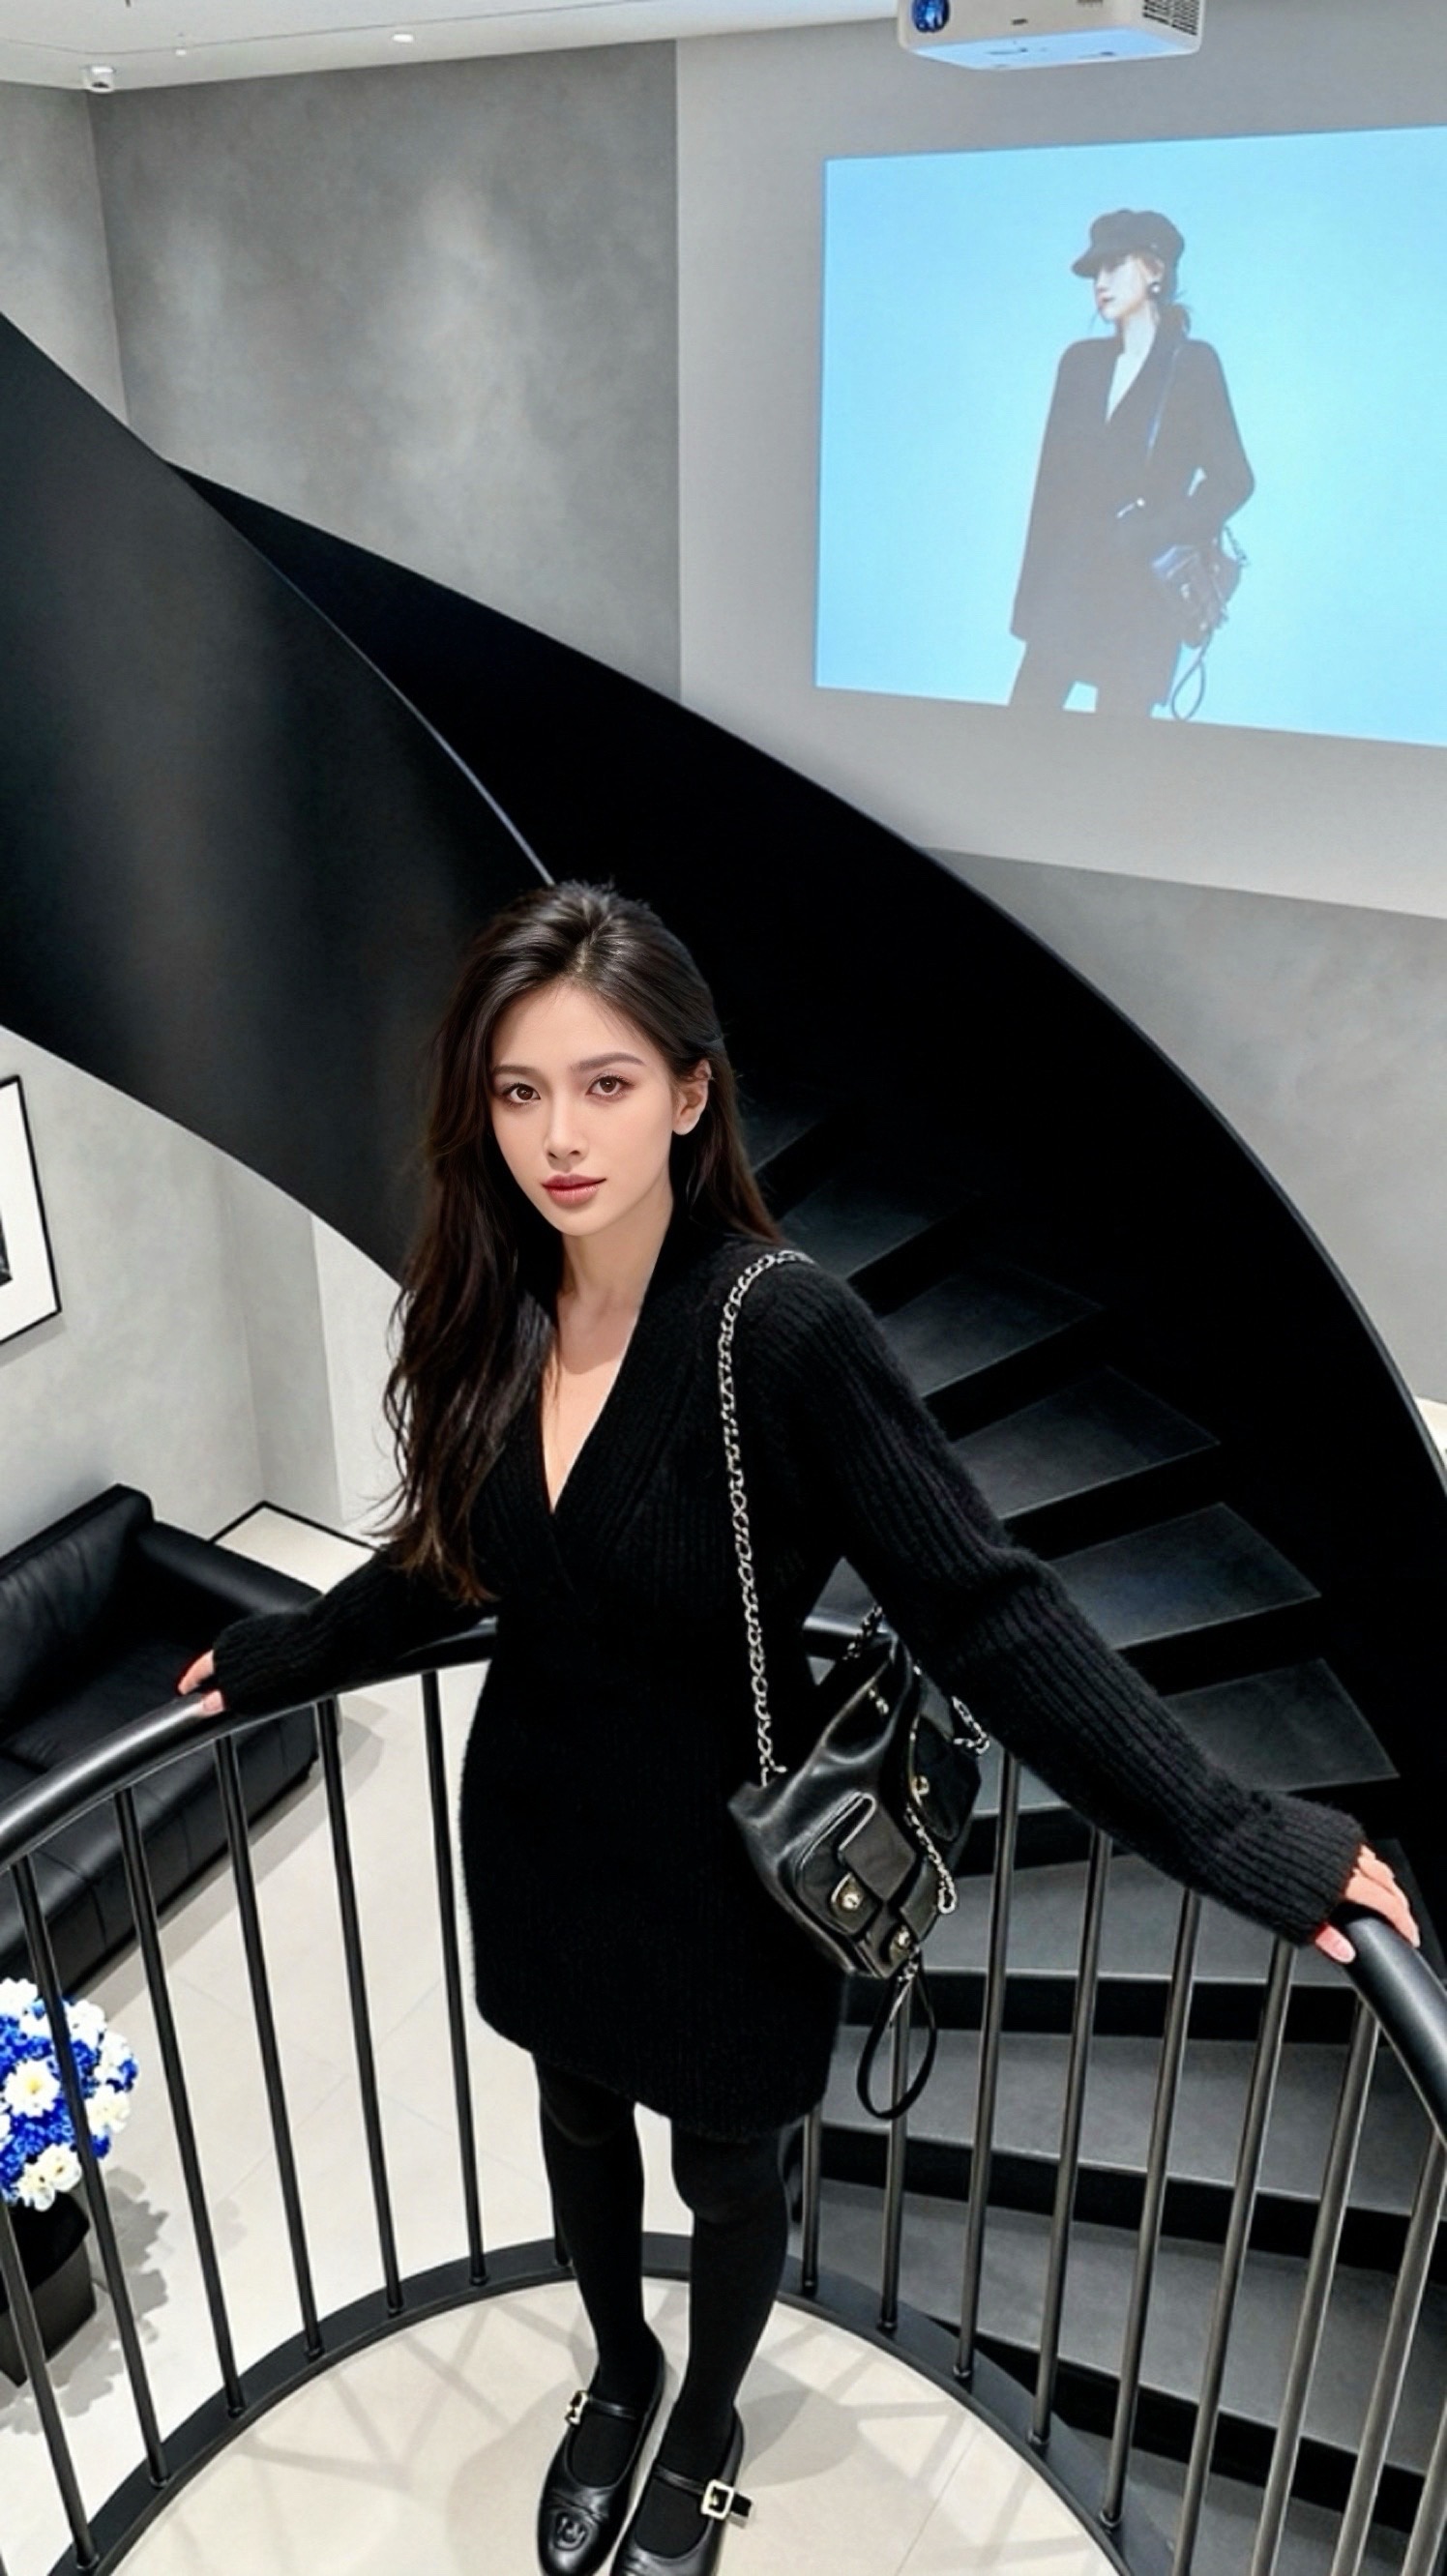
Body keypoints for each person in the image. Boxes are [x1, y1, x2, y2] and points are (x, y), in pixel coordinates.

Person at [179, 881, 1416, 2576]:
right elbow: (443, 1563)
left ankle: (705, 2416)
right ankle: (621, 2369)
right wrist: (284, 1651)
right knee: (574, 2122)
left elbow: (987, 1605)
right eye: (521, 1090)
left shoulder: (781, 1332)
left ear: (691, 1093)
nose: (559, 1136)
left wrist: (1233, 1829)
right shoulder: (500, 1304)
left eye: (606, 1083)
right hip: (538, 1832)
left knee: (731, 2170)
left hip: (720, 1875)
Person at [1010, 208, 1255, 717]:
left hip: (1140, 594)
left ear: (1155, 270)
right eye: (1094, 273)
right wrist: (1032, 605)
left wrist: (1157, 530)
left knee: (1116, 749)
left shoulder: (1192, 365)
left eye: (1114, 265)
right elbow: (1051, 493)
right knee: (1018, 733)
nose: (1100, 284)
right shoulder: (1080, 365)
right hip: (1069, 584)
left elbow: (1233, 480)